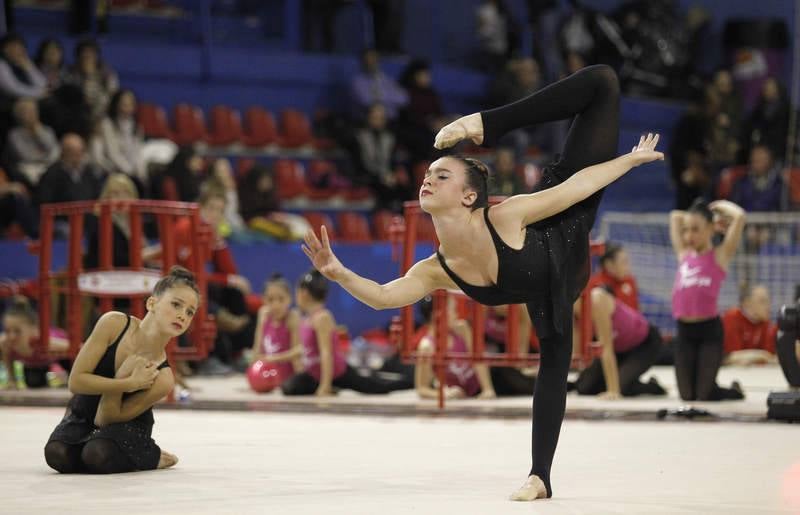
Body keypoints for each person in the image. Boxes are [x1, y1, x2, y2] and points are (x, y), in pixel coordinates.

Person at [302, 65, 664, 500]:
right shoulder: (436, 268)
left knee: (603, 81)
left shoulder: (505, 216)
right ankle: (540, 478)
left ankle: (486, 123)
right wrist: (339, 273)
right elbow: (383, 298)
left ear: (469, 196)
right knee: (553, 359)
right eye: (428, 174)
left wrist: (631, 159)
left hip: (567, 220)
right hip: (553, 288)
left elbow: (577, 187)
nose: (427, 179)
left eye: (441, 175)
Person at [43, 266, 197, 473]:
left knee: (95, 454)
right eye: (176, 305)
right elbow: (76, 382)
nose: (182, 316)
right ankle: (97, 448)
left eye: (189, 312)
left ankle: (148, 454)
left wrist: (121, 381)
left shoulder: (163, 377)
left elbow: (105, 419)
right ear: (152, 303)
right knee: (57, 455)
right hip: (85, 412)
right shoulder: (113, 324)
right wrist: (127, 382)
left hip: (123, 425)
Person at [280, 270, 409, 396]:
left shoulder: (322, 317)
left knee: (378, 387)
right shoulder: (306, 318)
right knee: (289, 387)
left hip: (337, 373)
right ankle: (333, 385)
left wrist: (325, 386)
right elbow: (306, 350)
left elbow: (326, 353)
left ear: (304, 293)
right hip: (315, 375)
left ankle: (409, 382)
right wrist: (275, 358)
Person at [669, 198, 746, 401]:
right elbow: (674, 216)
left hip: (709, 332)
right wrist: (697, 215)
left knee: (704, 396)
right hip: (684, 331)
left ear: (711, 229)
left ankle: (733, 391)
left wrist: (716, 207)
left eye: (695, 229)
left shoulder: (720, 256)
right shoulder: (684, 254)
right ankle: (711, 384)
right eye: (686, 230)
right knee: (686, 397)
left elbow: (739, 216)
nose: (688, 235)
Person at [571, 287, 666, 398]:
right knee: (584, 387)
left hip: (644, 344)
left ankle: (653, 386)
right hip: (618, 348)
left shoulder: (596, 301)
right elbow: (577, 352)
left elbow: (606, 348)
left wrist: (613, 391)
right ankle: (621, 376)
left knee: (622, 387)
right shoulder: (572, 311)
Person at [414, 295, 497, 400]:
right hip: (463, 394)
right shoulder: (427, 347)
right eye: (453, 310)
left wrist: (488, 389)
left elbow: (478, 359)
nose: (457, 314)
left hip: (488, 383)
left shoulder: (462, 329)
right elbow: (422, 389)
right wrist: (443, 394)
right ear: (438, 315)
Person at [1, 296, 68, 389]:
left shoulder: (46, 341)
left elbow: (80, 348)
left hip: (64, 357)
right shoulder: (5, 343)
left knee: (73, 381)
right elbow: (8, 360)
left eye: (17, 331)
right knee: (34, 383)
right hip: (36, 363)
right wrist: (12, 380)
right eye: (7, 331)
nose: (11, 336)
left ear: (34, 329)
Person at [250, 274, 303, 383]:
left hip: (288, 377)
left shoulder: (293, 317)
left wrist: (272, 359)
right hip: (267, 375)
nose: (276, 305)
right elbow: (257, 347)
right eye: (270, 299)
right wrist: (252, 370)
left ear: (289, 299)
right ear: (263, 300)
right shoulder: (263, 314)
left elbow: (298, 352)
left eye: (281, 299)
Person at [722, 283, 777, 366]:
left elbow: (769, 355)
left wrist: (760, 356)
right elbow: (732, 357)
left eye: (769, 301)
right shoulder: (731, 318)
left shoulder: (765, 323)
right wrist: (761, 355)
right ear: (747, 303)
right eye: (762, 301)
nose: (768, 306)